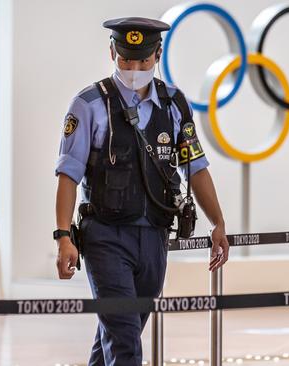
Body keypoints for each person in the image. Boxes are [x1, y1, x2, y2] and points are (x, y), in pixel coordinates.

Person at [54, 17, 229, 365]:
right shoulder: (89, 104)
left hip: (154, 238)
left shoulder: (174, 104)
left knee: (121, 333)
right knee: (124, 342)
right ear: (112, 53)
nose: (133, 69)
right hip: (105, 235)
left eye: (143, 61)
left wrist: (218, 222)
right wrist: (63, 236)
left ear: (158, 54)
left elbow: (195, 166)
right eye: (125, 60)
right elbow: (68, 175)